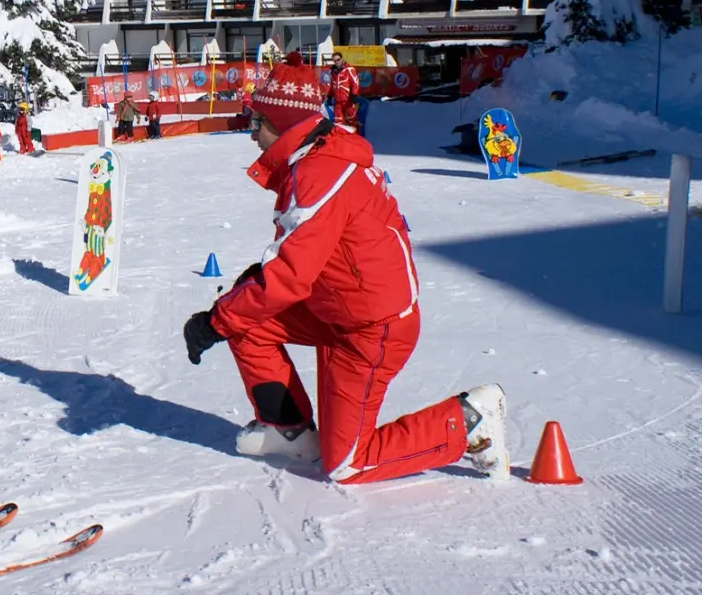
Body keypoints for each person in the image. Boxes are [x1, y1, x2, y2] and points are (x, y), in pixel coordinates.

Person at [181, 51, 509, 486]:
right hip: (335, 309)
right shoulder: (316, 158)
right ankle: (289, 431)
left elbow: (289, 276)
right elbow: (301, 262)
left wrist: (215, 321)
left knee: (347, 465)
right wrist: (235, 307)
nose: (250, 134)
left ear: (284, 124)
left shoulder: (320, 174)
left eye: (254, 122)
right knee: (248, 321)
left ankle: (467, 422)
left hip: (370, 330)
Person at [328, 52, 360, 130]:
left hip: (348, 100)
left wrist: (354, 95)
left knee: (352, 120)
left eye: (338, 60)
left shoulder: (349, 69)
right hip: (337, 101)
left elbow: (355, 82)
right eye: (334, 60)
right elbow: (333, 86)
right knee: (338, 121)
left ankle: (355, 138)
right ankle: (341, 139)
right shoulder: (333, 72)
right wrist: (329, 96)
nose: (336, 62)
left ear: (342, 59)